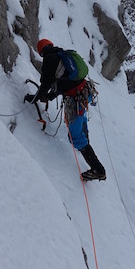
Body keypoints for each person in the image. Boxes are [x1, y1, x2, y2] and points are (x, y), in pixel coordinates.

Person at [24, 38, 106, 182]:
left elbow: (46, 84)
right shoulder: (62, 54)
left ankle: (98, 170)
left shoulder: (49, 59)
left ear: (41, 52)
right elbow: (63, 83)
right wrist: (49, 96)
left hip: (75, 100)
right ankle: (85, 142)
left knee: (75, 137)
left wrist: (35, 97)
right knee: (80, 127)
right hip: (85, 93)